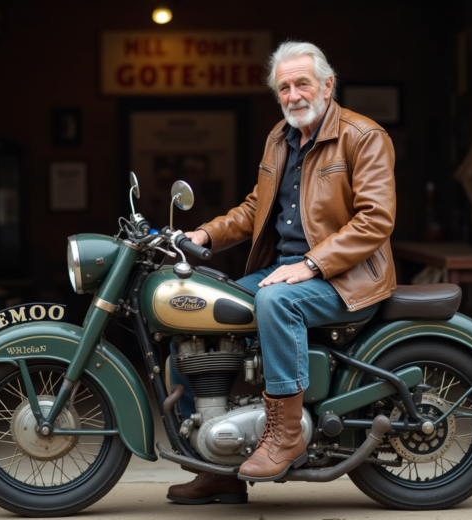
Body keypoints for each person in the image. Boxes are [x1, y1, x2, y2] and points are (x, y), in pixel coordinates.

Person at [167, 40, 397, 505]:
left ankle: (286, 436)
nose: (293, 95)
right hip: (285, 270)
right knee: (192, 317)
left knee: (275, 301)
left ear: (328, 85)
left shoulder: (363, 136)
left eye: (302, 84)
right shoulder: (280, 137)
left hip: (346, 278)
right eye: (284, 88)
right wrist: (206, 234)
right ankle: (215, 468)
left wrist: (312, 264)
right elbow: (257, 207)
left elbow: (375, 219)